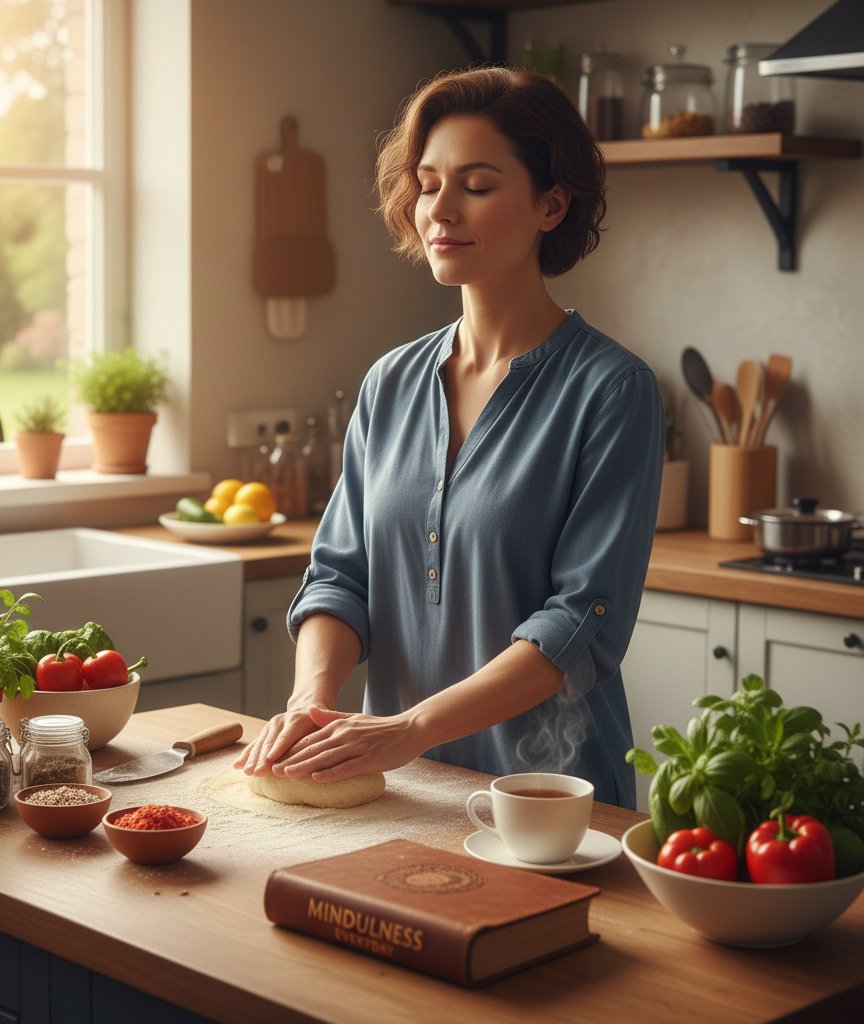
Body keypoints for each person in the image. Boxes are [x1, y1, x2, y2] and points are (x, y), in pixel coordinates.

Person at [234, 66, 664, 808]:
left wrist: (410, 727)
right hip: (400, 790)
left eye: (477, 185)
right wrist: (312, 699)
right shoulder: (391, 382)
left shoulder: (613, 391)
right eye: (428, 184)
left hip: (548, 803)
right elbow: (340, 578)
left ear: (552, 204)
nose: (439, 210)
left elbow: (577, 626)